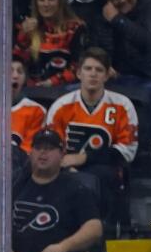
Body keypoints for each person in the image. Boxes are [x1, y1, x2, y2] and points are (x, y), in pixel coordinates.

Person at [0, 125, 102, 252]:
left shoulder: (76, 188)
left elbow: (94, 228)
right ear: (30, 153)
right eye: (38, 148)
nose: (43, 153)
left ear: (62, 155)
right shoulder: (13, 184)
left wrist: (64, 247)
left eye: (50, 148)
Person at [45, 47, 139, 224]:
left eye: (99, 70)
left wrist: (84, 158)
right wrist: (66, 168)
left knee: (100, 177)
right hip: (64, 170)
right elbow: (50, 147)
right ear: (79, 73)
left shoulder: (122, 105)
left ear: (106, 75)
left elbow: (127, 150)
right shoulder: (61, 106)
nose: (93, 74)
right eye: (88, 69)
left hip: (106, 174)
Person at [15, 0, 86, 88]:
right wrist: (23, 36)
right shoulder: (28, 27)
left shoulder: (75, 28)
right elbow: (17, 62)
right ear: (36, 3)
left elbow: (79, 65)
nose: (46, 4)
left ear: (59, 2)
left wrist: (53, 82)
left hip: (65, 87)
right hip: (32, 87)